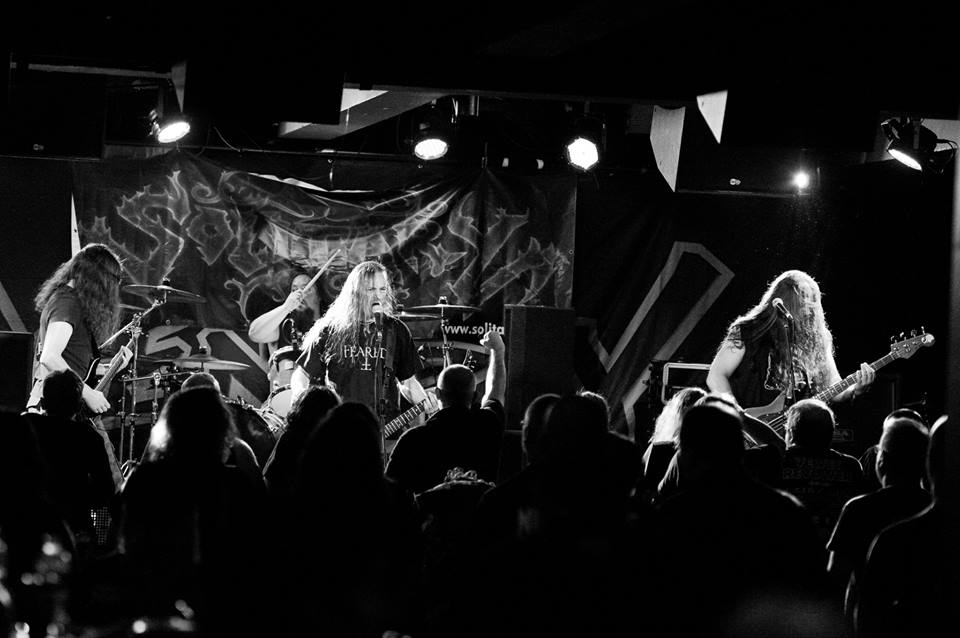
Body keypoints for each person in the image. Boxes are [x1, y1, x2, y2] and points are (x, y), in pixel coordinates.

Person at [706, 270, 875, 432]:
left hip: (799, 433)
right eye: (802, 304)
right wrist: (737, 416)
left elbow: (833, 387)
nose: (809, 311)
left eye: (812, 304)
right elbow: (716, 375)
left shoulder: (819, 339)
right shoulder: (748, 330)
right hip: (750, 427)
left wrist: (855, 389)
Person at [290, 261, 431, 440]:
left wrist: (427, 403)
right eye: (370, 289)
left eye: (382, 289)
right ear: (355, 292)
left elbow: (408, 383)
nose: (377, 295)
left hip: (386, 433)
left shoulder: (396, 330)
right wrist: (299, 397)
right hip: (341, 432)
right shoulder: (331, 329)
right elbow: (301, 374)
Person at [385, 329, 505, 494]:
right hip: (478, 511)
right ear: (474, 396)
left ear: (438, 393)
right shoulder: (488, 425)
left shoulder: (413, 440)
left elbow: (388, 493)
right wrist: (498, 351)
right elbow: (495, 392)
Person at [27, 243, 127, 413]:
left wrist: (109, 368)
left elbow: (72, 361)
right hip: (54, 405)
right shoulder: (66, 303)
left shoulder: (74, 302)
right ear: (97, 279)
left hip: (66, 401)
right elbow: (50, 357)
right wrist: (88, 393)